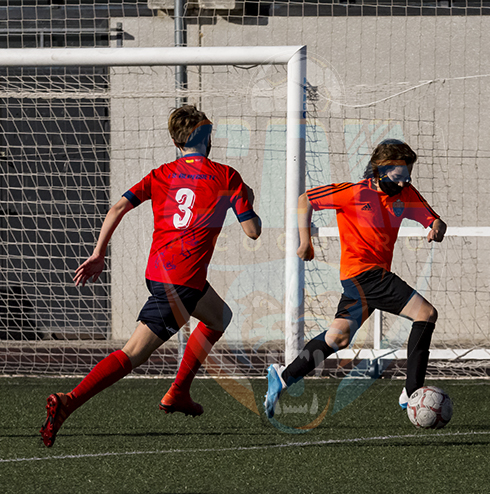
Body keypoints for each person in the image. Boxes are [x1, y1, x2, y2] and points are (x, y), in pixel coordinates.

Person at [40, 105, 261, 447]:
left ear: (176, 142)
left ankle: (179, 392)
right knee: (134, 353)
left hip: (160, 272)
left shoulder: (161, 174)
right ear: (208, 137)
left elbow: (118, 207)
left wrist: (98, 253)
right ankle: (68, 401)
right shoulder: (226, 176)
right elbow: (252, 231)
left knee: (219, 317)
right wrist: (248, 201)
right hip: (181, 283)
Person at [264, 139, 446, 419]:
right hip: (364, 274)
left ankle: (283, 377)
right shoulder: (352, 193)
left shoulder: (406, 194)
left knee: (337, 337)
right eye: (399, 176)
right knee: (426, 314)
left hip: (364, 281)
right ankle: (412, 392)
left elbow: (434, 219)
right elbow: (305, 200)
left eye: (407, 177)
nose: (403, 183)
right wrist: (305, 241)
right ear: (380, 170)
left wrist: (436, 227)